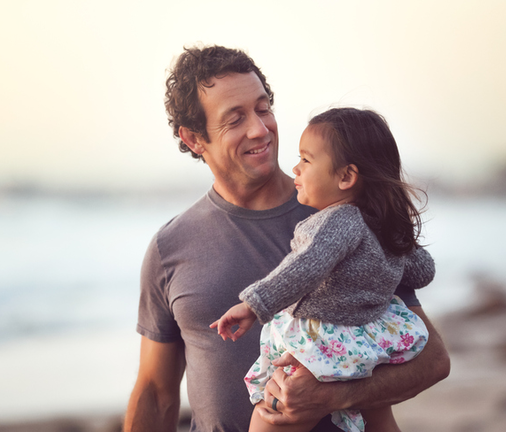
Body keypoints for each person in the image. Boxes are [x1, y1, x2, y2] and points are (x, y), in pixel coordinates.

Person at [124, 45, 450, 432]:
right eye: (235, 119)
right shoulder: (170, 247)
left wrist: (334, 397)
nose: (260, 128)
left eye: (263, 108)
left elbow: (432, 361)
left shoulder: (348, 215)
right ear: (195, 139)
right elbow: (156, 392)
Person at [211, 107, 434, 432]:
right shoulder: (383, 228)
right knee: (379, 419)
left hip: (321, 340)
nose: (295, 168)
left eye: (306, 160)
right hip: (367, 342)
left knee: (270, 416)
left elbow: (305, 267)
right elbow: (423, 272)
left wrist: (253, 305)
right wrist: (399, 243)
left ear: (346, 177)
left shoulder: (338, 219)